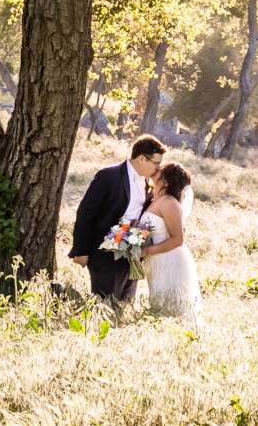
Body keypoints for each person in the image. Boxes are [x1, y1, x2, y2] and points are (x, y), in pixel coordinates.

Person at [69, 134, 162, 306]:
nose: (158, 168)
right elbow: (85, 213)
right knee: (104, 305)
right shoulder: (108, 176)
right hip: (104, 252)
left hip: (132, 253)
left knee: (124, 305)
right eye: (156, 163)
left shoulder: (148, 184)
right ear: (142, 158)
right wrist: (80, 250)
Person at [138, 162, 201, 326]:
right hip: (157, 260)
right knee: (159, 304)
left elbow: (177, 239)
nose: (156, 171)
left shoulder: (169, 203)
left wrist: (147, 251)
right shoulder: (156, 199)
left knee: (173, 307)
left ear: (166, 181)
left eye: (161, 171)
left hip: (170, 259)